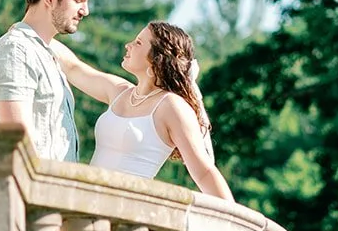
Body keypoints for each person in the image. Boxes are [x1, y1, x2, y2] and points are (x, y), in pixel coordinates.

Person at [52, 21, 234, 204]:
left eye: (138, 42)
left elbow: (204, 172)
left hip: (126, 213)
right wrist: (33, 31)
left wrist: (233, 218)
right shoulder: (120, 92)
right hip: (86, 203)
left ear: (157, 58)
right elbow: (73, 67)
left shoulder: (171, 107)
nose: (128, 45)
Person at [0, 0, 97, 161]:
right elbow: (18, 144)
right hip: (33, 192)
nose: (85, 10)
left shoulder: (47, 54)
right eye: (79, 0)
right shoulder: (17, 51)